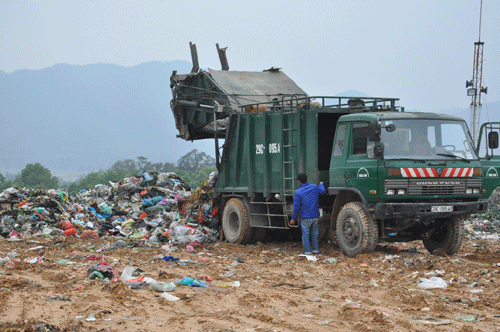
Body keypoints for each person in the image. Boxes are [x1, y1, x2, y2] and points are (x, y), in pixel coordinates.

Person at [290, 173, 326, 255]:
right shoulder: (314, 187)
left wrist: (293, 218)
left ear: (299, 181)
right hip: (315, 216)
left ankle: (308, 252)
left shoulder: (298, 192)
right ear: (306, 179)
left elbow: (296, 207)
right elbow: (323, 191)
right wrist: (321, 184)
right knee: (315, 234)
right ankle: (316, 250)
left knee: (305, 235)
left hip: (305, 218)